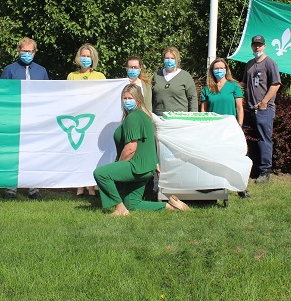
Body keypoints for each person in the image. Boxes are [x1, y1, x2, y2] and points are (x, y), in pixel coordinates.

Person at [93, 84, 190, 216]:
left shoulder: (133, 117)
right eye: (124, 98)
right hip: (146, 168)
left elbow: (131, 148)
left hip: (136, 166)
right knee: (132, 203)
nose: (126, 101)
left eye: (129, 98)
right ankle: (169, 206)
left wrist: (119, 165)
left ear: (138, 99)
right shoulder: (145, 116)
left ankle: (119, 209)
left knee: (101, 173)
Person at [0, 37, 48, 200]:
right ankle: (10, 188)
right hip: (15, 116)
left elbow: (47, 94)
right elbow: (2, 94)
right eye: (24, 51)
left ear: (34, 53)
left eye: (30, 51)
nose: (27, 54)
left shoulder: (41, 71)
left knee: (33, 151)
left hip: (35, 118)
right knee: (13, 152)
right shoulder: (9, 70)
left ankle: (33, 188)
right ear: (18, 51)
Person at [240, 35, 281, 194]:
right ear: (251, 46)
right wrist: (229, 83)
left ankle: (265, 171)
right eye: (255, 45)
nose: (257, 48)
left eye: (260, 45)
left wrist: (264, 101)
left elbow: (275, 84)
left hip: (264, 109)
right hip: (249, 109)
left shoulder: (269, 63)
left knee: (264, 139)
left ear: (264, 46)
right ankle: (254, 169)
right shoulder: (249, 64)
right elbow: (244, 83)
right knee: (250, 140)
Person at [67, 43, 105, 197]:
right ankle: (78, 185)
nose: (85, 58)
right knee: (77, 152)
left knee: (91, 153)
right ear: (78, 57)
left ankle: (91, 185)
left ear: (93, 59)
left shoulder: (100, 76)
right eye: (83, 55)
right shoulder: (71, 76)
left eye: (88, 56)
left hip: (93, 120)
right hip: (76, 120)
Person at [151, 47, 197, 116]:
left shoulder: (185, 76)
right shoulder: (157, 76)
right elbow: (151, 97)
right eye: (167, 58)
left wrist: (193, 115)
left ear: (177, 60)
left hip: (179, 118)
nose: (169, 60)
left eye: (172, 58)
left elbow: (192, 98)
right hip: (159, 117)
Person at [200, 58, 244, 125]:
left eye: (221, 68)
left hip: (229, 124)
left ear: (226, 69)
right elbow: (204, 110)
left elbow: (239, 108)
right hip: (212, 124)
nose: (219, 70)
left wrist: (240, 125)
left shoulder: (234, 86)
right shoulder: (207, 89)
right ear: (212, 71)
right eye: (216, 68)